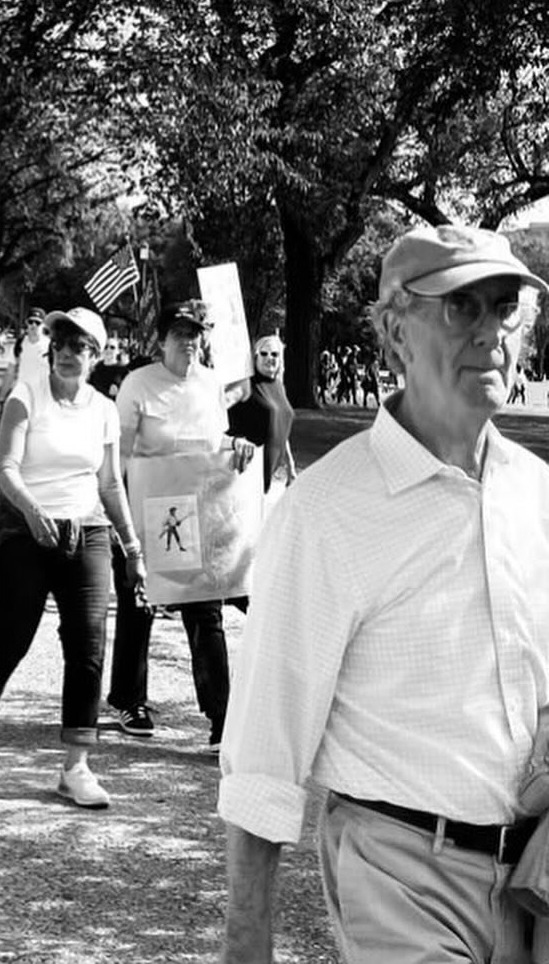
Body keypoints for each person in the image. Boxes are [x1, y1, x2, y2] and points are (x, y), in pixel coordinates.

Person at [219, 224, 549, 964]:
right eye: (462, 308)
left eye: (506, 308)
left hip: (537, 879)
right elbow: (265, 749)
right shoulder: (327, 512)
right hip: (401, 875)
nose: (491, 332)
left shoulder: (540, 494)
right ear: (396, 334)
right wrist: (247, 944)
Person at [0, 305, 146, 809]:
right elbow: (5, 466)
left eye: (79, 347)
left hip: (89, 532)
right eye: (60, 344)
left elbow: (108, 483)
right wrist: (34, 512)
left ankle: (75, 766)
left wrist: (132, 545)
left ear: (97, 356)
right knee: (13, 635)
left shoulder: (104, 410)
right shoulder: (26, 395)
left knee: (88, 645)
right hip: (27, 528)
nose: (67, 354)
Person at [117, 300, 254, 749]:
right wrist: (121, 517)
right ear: (162, 340)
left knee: (205, 610)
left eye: (196, 334)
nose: (190, 342)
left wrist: (238, 445)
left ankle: (221, 717)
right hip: (148, 508)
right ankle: (129, 699)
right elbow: (119, 453)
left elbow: (214, 441)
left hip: (199, 512)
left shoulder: (211, 384)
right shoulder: (139, 384)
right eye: (180, 334)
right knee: (140, 606)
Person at [226, 333, 296, 495]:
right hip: (245, 470)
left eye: (275, 354)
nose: (269, 358)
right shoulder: (246, 384)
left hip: (267, 472)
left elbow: (281, 429)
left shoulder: (279, 386)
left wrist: (290, 467)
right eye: (263, 353)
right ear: (255, 358)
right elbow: (218, 407)